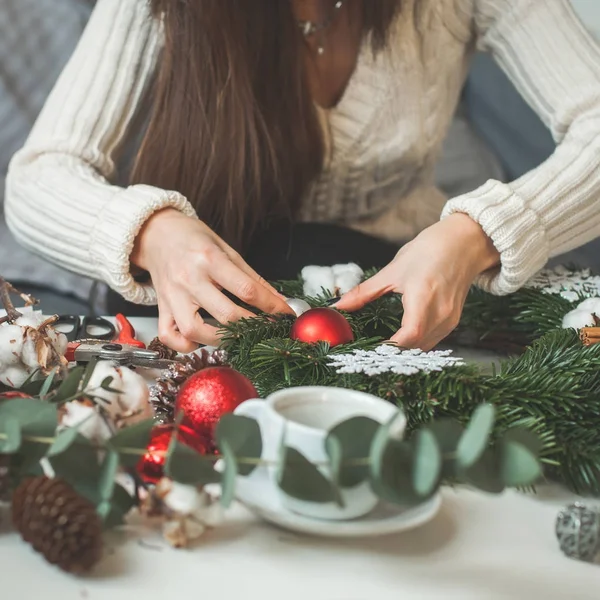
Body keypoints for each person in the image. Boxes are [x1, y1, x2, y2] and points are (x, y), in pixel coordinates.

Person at [5, 0, 600, 353]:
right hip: (195, 317)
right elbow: (38, 178)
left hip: (396, 297)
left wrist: (480, 234)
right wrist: (150, 232)